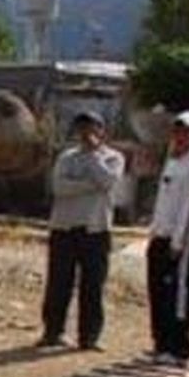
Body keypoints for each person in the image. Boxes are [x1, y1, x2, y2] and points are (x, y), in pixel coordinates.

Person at [39, 111, 126, 351]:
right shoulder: (67, 157)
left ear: (101, 130)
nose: (86, 134)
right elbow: (59, 187)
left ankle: (89, 337)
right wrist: (90, 186)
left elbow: (108, 182)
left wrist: (93, 157)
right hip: (64, 227)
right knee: (59, 283)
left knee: (93, 285)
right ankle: (53, 332)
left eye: (91, 128)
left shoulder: (113, 158)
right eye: (82, 129)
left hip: (96, 229)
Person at [146, 110, 189, 364]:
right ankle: (161, 343)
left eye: (186, 132)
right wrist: (155, 232)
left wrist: (179, 242)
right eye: (177, 132)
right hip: (161, 237)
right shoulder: (173, 161)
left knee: (179, 295)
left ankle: (178, 348)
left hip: (183, 242)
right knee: (158, 292)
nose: (180, 137)